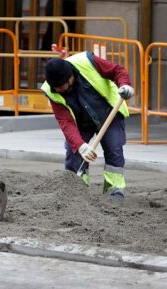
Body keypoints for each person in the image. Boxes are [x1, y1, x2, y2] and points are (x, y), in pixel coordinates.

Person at [42, 53, 134, 198]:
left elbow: (117, 70)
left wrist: (125, 85)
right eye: (55, 87)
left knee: (113, 148)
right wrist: (80, 145)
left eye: (60, 86)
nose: (58, 90)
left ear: (70, 77)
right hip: (81, 121)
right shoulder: (51, 90)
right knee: (74, 152)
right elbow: (65, 122)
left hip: (108, 113)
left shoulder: (87, 62)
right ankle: (76, 191)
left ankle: (114, 192)